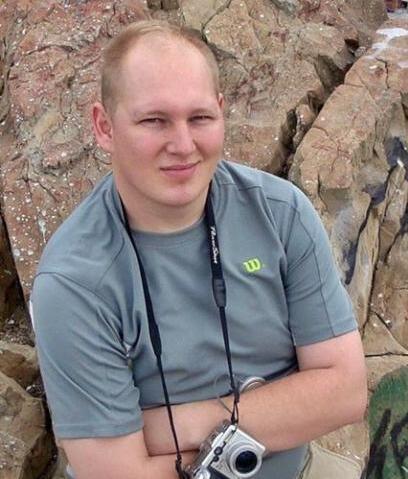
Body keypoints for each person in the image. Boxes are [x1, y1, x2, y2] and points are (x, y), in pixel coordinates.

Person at [31, 20, 367, 479]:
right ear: (104, 127)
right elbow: (116, 471)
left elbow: (345, 391)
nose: (183, 145)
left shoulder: (280, 213)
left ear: (222, 112)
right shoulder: (74, 281)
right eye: (154, 121)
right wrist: (277, 411)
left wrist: (179, 424)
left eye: (200, 118)